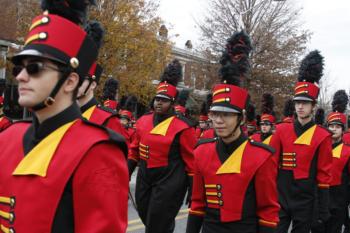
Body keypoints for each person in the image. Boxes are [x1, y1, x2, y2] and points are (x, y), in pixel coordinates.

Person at [0, 1, 128, 232]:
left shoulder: (98, 152)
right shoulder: (7, 138)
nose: (20, 77)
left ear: (70, 82)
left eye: (35, 68)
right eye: (19, 68)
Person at [186, 31, 280, 233]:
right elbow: (197, 205)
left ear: (242, 118)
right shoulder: (201, 152)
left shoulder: (262, 156)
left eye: (226, 115)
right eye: (215, 114)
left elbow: (268, 211)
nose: (218, 121)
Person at [128, 59, 196, 233]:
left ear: (172, 103)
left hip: (170, 180)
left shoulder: (183, 126)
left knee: (157, 223)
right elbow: (134, 149)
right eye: (157, 99)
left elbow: (191, 160)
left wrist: (192, 187)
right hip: (144, 175)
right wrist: (126, 171)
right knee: (145, 214)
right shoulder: (143, 121)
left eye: (164, 100)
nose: (159, 103)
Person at [273, 50, 332, 233]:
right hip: (280, 197)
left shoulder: (323, 135)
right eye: (297, 102)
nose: (300, 106)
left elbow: (323, 176)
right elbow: (271, 165)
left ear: (313, 106)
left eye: (305, 103)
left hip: (306, 201)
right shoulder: (281, 129)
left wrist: (323, 209)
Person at [320, 90, 350, 233]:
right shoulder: (319, 147)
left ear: (342, 130)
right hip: (320, 197)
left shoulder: (348, 150)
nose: (333, 129)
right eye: (331, 126)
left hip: (339, 199)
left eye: (337, 127)